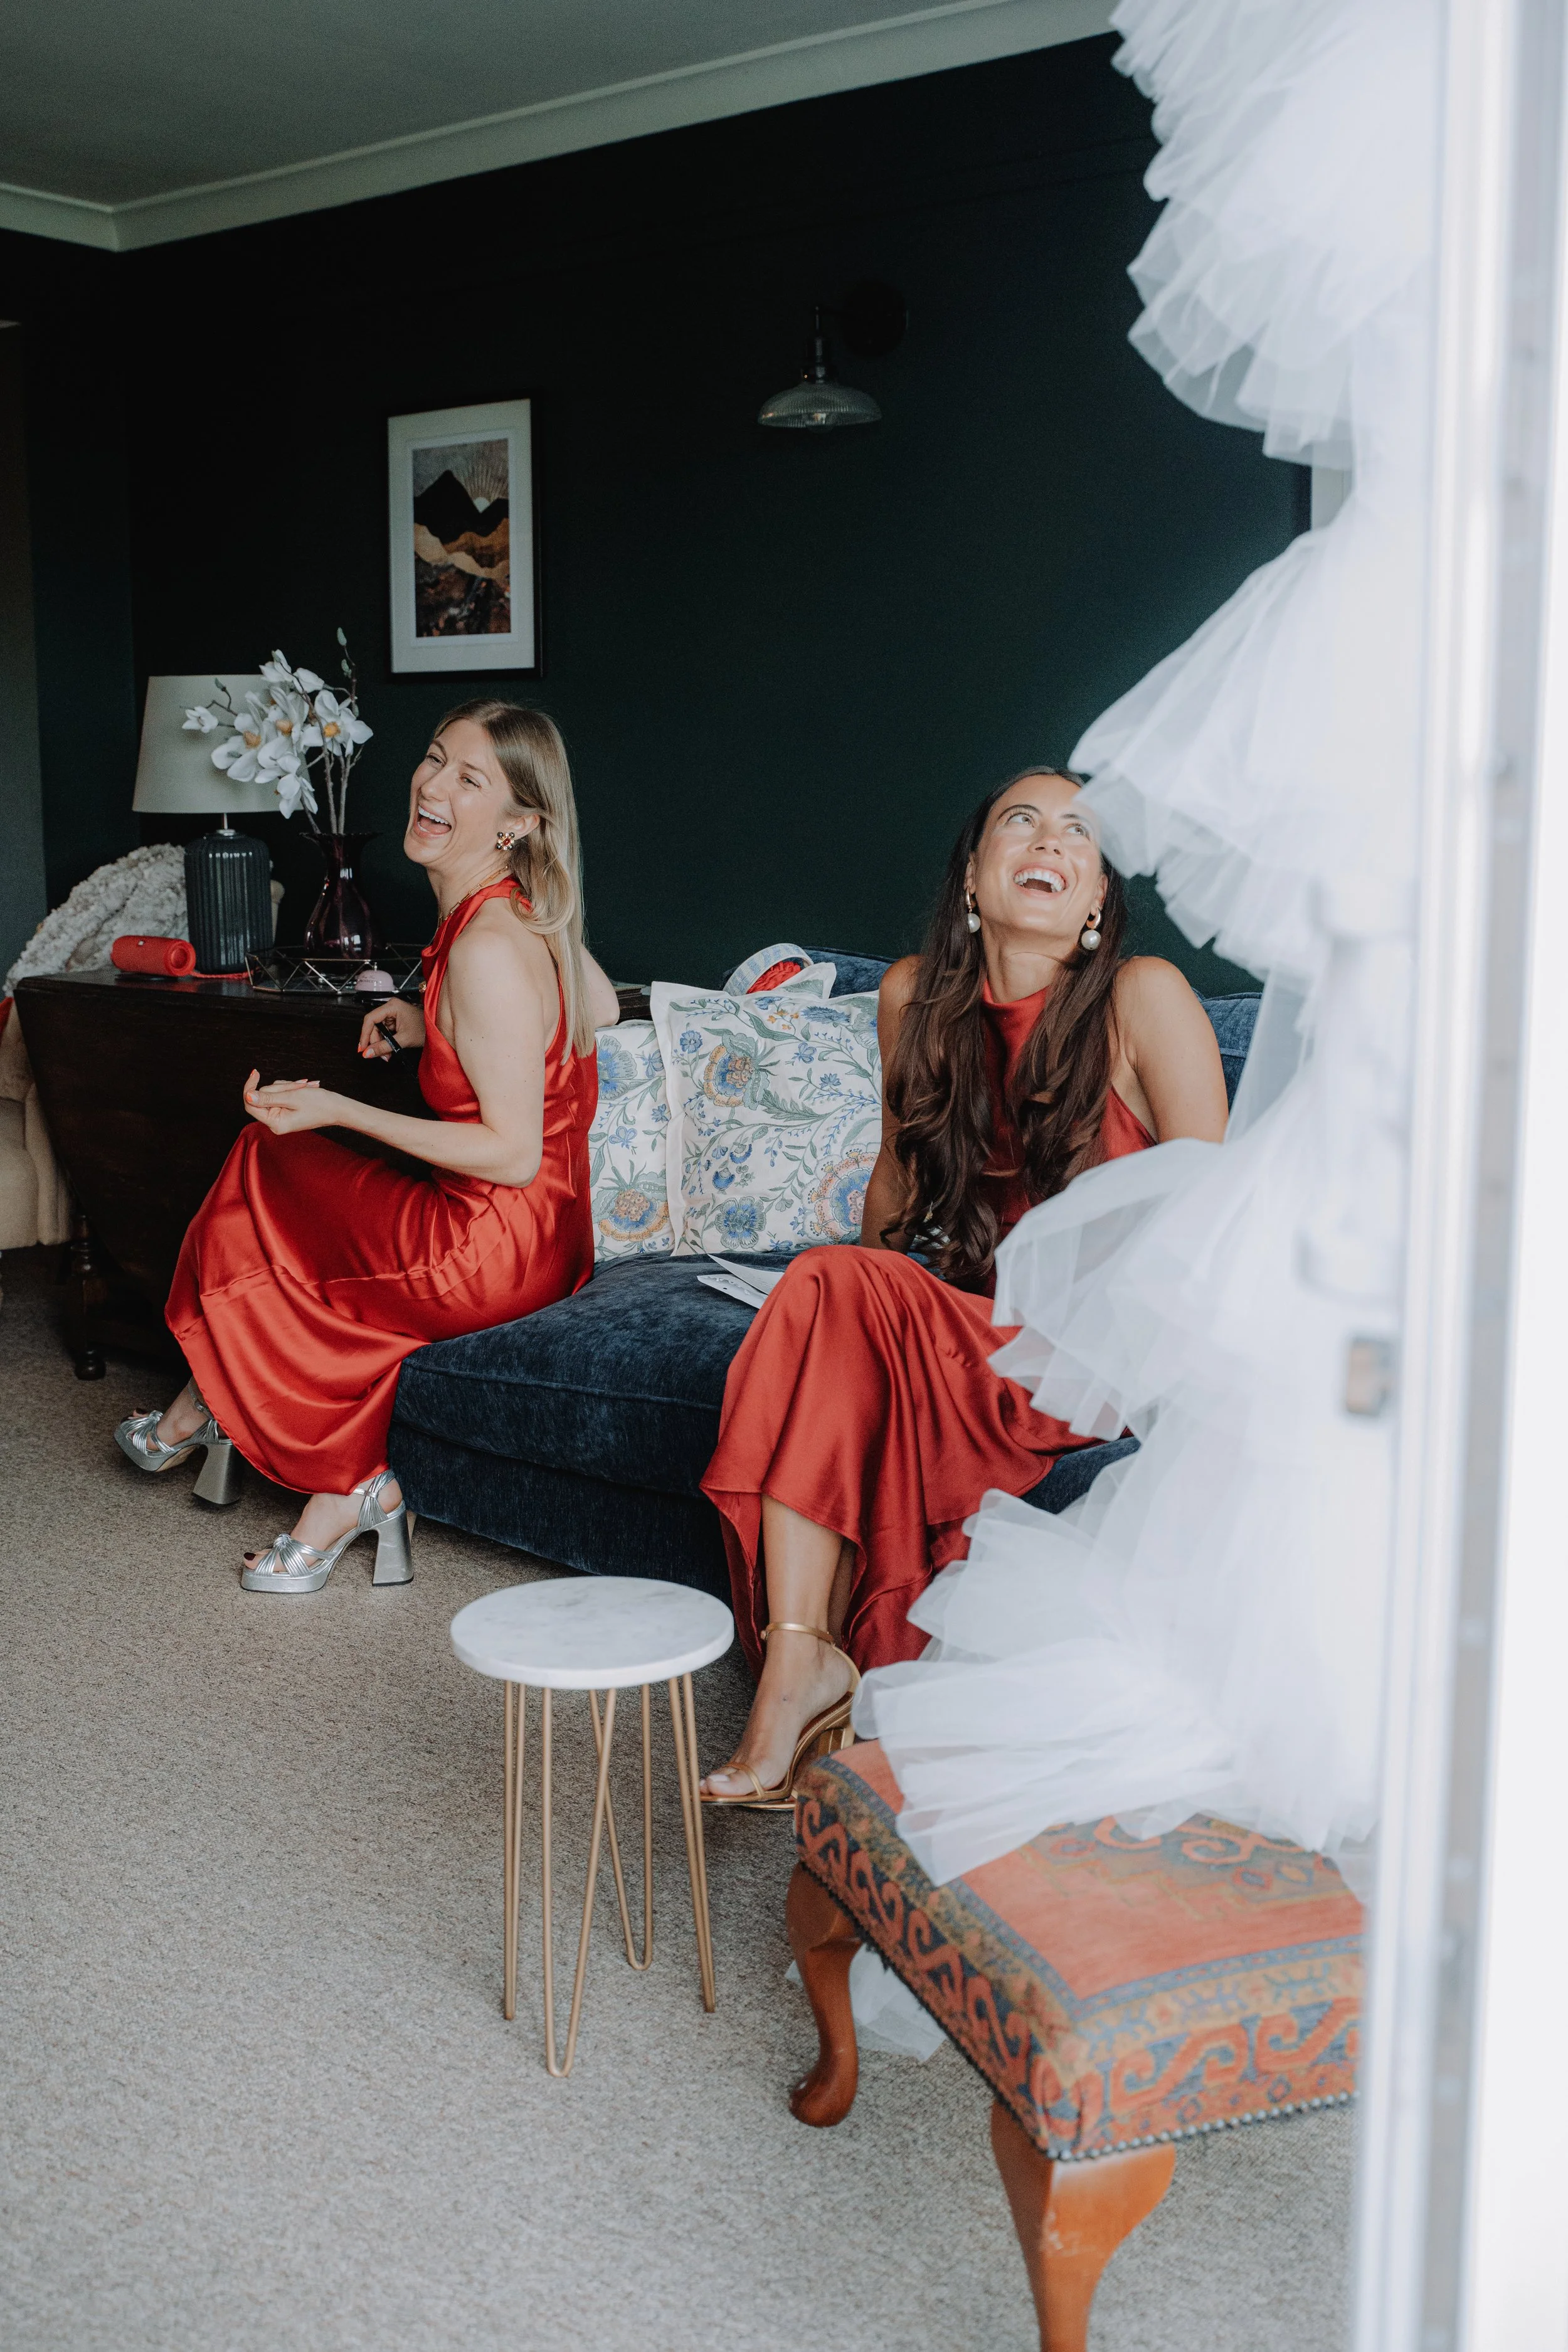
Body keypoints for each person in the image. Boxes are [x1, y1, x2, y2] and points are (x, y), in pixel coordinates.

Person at [698, 767, 1229, 1806]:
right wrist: (846, 1320)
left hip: (1092, 1361)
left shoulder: (1142, 998)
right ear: (977, 881)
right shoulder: (912, 997)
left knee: (833, 1291)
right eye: (1021, 820)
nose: (1051, 839)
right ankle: (801, 1658)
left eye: (1081, 832)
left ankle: (803, 1671)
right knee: (828, 1290)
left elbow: (1217, 1233)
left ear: (1096, 901)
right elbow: (898, 1191)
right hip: (969, 1326)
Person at [115, 701, 619, 1594]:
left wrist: (340, 1108)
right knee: (273, 1171)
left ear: (517, 822)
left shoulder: (488, 947)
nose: (432, 785)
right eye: (435, 759)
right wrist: (435, 1026)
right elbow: (598, 1008)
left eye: (471, 780)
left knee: (266, 1165)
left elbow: (508, 1151)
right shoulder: (510, 911)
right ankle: (241, 1424)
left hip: (487, 1251)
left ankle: (276, 1443)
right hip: (548, 1239)